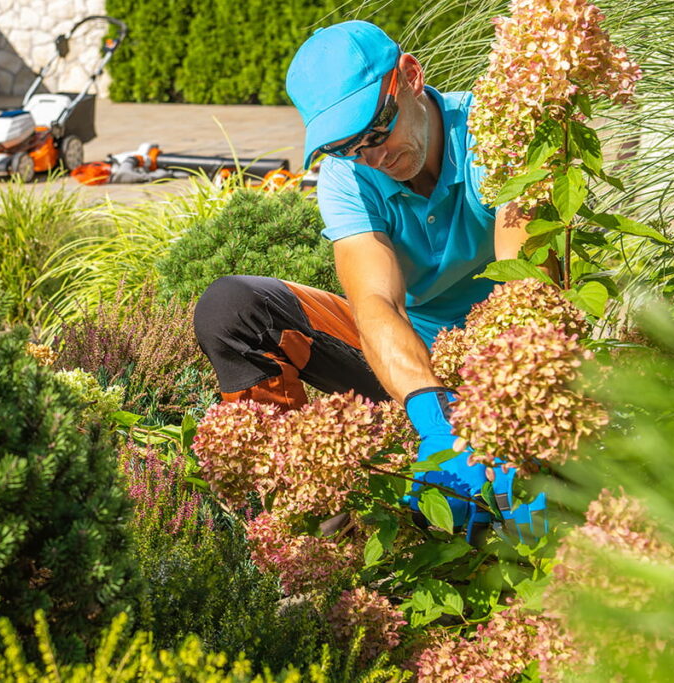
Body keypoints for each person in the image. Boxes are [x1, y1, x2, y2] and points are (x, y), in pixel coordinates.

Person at [193, 20, 549, 544]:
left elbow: (527, 289)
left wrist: (503, 415)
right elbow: (378, 304)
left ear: (410, 76)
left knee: (533, 522)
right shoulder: (349, 176)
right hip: (405, 365)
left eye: (378, 130)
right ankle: (301, 519)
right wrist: (434, 420)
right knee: (232, 307)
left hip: (508, 358)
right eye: (349, 146)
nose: (374, 157)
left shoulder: (495, 134)